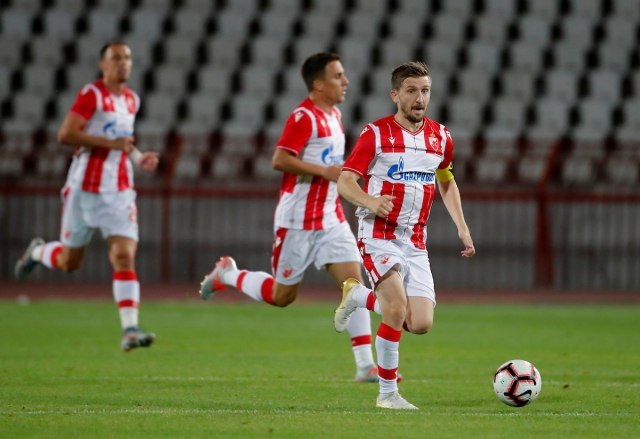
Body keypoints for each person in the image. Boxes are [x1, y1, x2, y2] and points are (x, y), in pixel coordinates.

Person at [199, 52, 381, 382]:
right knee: (282, 296)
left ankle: (365, 365)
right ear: (318, 84)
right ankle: (228, 274)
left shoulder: (335, 115)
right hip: (298, 220)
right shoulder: (303, 117)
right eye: (338, 76)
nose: (345, 81)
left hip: (331, 217)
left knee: (354, 285)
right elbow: (280, 160)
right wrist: (323, 171)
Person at [334, 61, 475, 409]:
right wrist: (370, 201)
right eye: (411, 91)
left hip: (415, 241)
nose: (419, 98)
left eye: (425, 91)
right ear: (395, 95)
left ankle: (358, 296)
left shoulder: (441, 137)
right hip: (378, 234)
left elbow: (446, 180)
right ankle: (387, 395)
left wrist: (462, 226)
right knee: (395, 308)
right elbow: (345, 181)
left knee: (421, 323)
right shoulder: (376, 134)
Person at [14, 42, 159, 352]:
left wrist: (138, 157)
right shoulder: (91, 94)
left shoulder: (132, 100)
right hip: (85, 189)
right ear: (102, 64)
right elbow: (66, 134)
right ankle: (38, 252)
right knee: (69, 262)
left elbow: (121, 141)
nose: (123, 63)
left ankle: (130, 329)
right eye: (116, 58)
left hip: (119, 190)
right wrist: (111, 145)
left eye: (127, 58)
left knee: (124, 256)